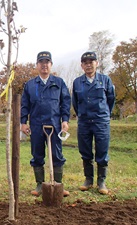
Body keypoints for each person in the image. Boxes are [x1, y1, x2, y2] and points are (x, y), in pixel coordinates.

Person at [21, 51, 71, 197]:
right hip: (36, 125)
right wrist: (23, 122)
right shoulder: (30, 85)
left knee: (57, 155)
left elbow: (65, 103)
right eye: (41, 62)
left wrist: (65, 120)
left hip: (54, 125)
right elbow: (24, 105)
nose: (44, 65)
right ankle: (40, 185)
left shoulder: (59, 83)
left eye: (47, 62)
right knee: (37, 155)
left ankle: (58, 184)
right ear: (37, 65)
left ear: (51, 65)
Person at [72, 51, 115, 195]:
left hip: (101, 121)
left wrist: (104, 114)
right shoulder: (77, 82)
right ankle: (88, 180)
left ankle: (101, 181)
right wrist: (82, 115)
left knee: (102, 150)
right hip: (84, 121)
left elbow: (111, 99)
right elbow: (75, 103)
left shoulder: (105, 80)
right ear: (82, 65)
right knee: (85, 151)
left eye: (91, 62)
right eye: (85, 62)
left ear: (97, 63)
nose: (88, 65)